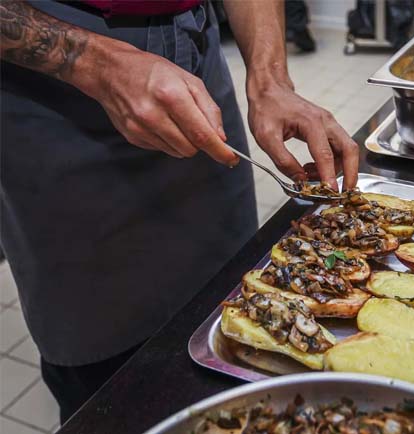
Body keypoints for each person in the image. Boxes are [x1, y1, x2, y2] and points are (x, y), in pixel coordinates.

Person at [0, 0, 359, 423]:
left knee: (236, 309)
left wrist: (270, 79)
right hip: (54, 94)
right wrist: (91, 60)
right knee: (112, 381)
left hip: (195, 57)